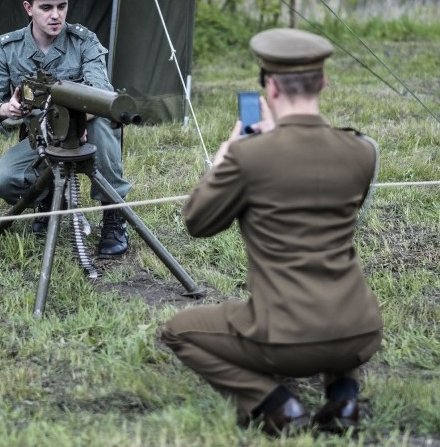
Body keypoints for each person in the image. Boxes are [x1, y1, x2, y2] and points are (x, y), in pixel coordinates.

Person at [160, 28, 384, 436]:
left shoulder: (249, 156)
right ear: (324, 82)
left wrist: (226, 157)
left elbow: (198, 222)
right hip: (361, 329)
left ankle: (276, 405)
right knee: (332, 310)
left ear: (272, 86)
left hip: (285, 338)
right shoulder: (362, 151)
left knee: (178, 331)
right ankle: (344, 397)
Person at [0, 0, 130, 257]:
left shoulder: (83, 41)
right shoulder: (9, 48)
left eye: (62, 6)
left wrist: (80, 118)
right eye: (46, 7)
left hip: (87, 127)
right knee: (4, 179)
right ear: (29, 8)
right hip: (43, 136)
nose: (56, 15)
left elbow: (102, 94)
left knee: (106, 127)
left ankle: (114, 215)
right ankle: (49, 204)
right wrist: (6, 108)